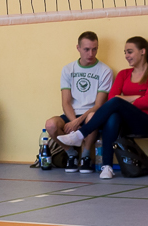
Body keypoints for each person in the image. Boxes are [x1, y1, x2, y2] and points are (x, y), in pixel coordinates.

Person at [58, 36, 148, 179]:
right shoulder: (123, 74)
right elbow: (112, 98)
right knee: (113, 115)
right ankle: (107, 167)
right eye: (125, 52)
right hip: (126, 124)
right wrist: (137, 97)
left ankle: (81, 134)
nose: (126, 56)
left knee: (117, 104)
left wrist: (123, 100)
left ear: (142, 51)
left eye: (130, 52)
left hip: (145, 123)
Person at [44, 32, 113, 174]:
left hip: (91, 114)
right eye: (86, 49)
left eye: (94, 49)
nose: (91, 53)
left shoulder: (105, 71)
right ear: (78, 48)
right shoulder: (68, 69)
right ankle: (71, 154)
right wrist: (73, 121)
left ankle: (85, 156)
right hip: (71, 115)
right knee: (50, 124)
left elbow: (99, 105)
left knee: (92, 117)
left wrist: (78, 122)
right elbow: (66, 102)